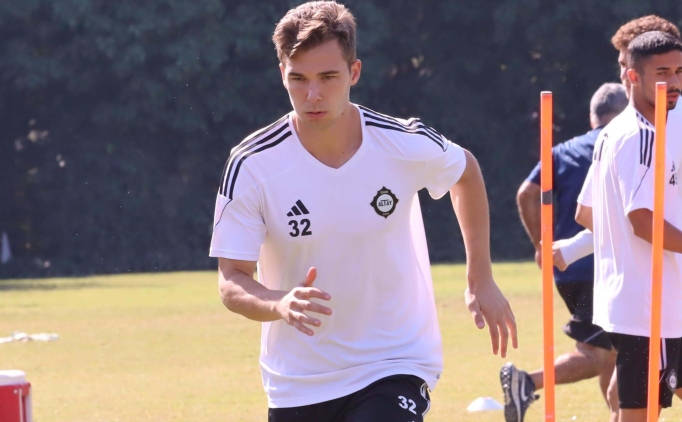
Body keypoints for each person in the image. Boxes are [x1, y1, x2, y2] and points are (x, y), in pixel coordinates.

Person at [208, 2, 517, 421]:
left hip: (393, 363)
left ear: (354, 72)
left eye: (327, 77)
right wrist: (280, 303)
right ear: (282, 74)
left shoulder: (402, 142)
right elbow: (232, 279)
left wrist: (480, 276)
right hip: (298, 382)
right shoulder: (251, 164)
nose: (312, 95)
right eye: (298, 79)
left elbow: (466, 172)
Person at [501, 83, 628, 422]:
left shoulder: (563, 151)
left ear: (592, 117)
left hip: (567, 265)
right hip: (607, 266)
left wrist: (540, 245)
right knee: (599, 353)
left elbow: (527, 193)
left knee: (610, 351)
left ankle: (619, 415)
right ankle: (526, 382)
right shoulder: (625, 144)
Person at [575, 31, 682, 422]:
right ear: (633, 77)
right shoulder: (643, 137)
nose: (674, 82)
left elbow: (585, 212)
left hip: (641, 300)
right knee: (638, 414)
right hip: (651, 304)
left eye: (679, 71)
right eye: (662, 73)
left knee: (634, 410)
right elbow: (642, 221)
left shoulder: (613, 132)